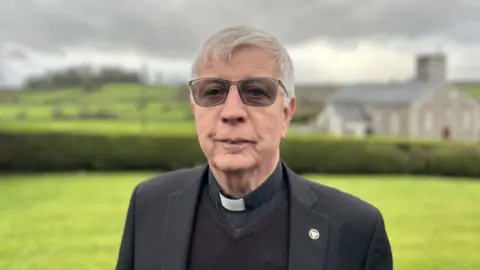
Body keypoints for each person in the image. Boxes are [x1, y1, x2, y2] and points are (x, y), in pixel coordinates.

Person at [115, 25, 393, 270]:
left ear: (286, 114)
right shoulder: (150, 205)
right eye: (212, 92)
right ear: (194, 110)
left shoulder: (355, 229)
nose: (232, 112)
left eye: (257, 92)